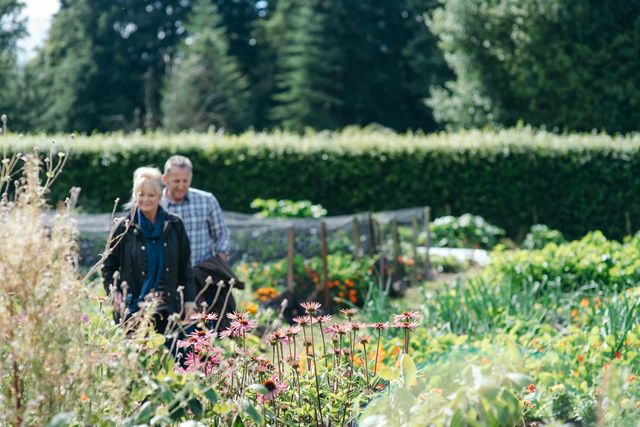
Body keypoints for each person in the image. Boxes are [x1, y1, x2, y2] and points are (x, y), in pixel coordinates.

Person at [102, 167, 196, 333]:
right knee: (134, 356)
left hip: (168, 308)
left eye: (151, 195)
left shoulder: (174, 225)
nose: (145, 199)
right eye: (141, 194)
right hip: (132, 307)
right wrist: (113, 292)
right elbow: (108, 266)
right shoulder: (124, 228)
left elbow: (185, 266)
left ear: (160, 196)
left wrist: (189, 300)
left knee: (174, 355)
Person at [161, 155, 239, 325]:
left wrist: (219, 261)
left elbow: (222, 234)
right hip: (172, 277)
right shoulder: (157, 205)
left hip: (205, 275)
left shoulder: (206, 200)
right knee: (178, 327)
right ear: (165, 179)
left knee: (216, 323)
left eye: (185, 180)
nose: (181, 186)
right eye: (176, 181)